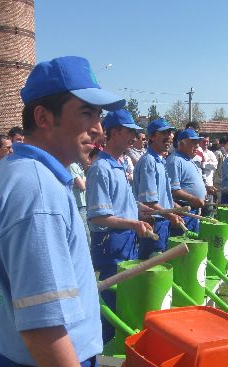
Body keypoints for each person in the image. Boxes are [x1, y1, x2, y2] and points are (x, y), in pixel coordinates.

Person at [0, 55, 129, 367]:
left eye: (100, 115)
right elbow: (42, 322)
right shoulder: (37, 191)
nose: (99, 129)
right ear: (43, 117)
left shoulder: (22, 173)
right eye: (85, 113)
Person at [86, 108, 152, 342]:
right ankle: (105, 353)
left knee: (124, 295)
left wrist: (138, 208)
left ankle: (117, 350)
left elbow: (116, 204)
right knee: (112, 300)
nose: (134, 138)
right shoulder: (101, 168)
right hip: (111, 242)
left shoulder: (118, 164)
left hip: (125, 239)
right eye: (129, 132)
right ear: (113, 133)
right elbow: (98, 217)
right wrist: (134, 223)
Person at [133, 117, 182, 258]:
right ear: (152, 137)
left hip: (162, 221)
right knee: (152, 270)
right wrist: (170, 215)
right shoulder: (149, 162)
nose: (170, 137)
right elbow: (149, 202)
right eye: (164, 133)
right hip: (153, 223)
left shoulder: (160, 161)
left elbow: (163, 196)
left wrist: (176, 209)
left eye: (171, 133)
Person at [165, 128, 207, 233]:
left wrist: (206, 190)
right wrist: (195, 199)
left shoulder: (188, 159)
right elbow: (173, 191)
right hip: (182, 212)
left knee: (193, 246)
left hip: (193, 211)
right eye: (193, 142)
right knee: (182, 245)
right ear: (182, 143)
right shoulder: (175, 161)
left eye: (198, 141)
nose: (197, 145)